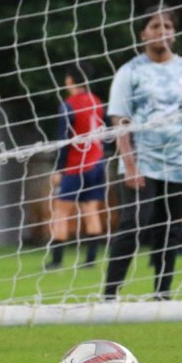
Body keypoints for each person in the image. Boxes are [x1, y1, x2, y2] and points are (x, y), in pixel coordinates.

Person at [104, 6, 182, 301]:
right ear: (143, 33)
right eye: (154, 26)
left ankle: (162, 293)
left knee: (170, 229)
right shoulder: (130, 72)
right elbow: (119, 121)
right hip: (143, 163)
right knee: (133, 224)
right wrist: (130, 164)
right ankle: (109, 294)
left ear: (174, 33)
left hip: (181, 164)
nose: (161, 31)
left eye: (166, 26)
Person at [46, 64, 106, 270]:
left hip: (75, 164)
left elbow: (64, 140)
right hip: (97, 162)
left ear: (70, 80)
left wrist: (59, 169)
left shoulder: (68, 105)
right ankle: (90, 261)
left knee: (61, 211)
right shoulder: (96, 102)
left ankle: (56, 261)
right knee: (91, 210)